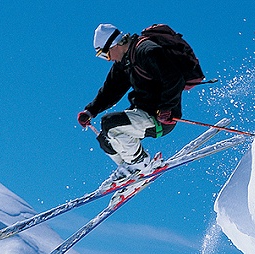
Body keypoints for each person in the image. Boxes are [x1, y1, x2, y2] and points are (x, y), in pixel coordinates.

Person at [77, 23, 186, 172]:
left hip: (161, 117)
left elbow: (175, 78)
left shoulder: (146, 51)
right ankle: (126, 170)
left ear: (114, 45)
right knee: (105, 140)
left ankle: (140, 164)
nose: (108, 59)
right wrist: (90, 111)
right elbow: (110, 90)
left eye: (104, 54)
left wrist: (166, 108)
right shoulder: (125, 62)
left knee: (110, 124)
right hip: (142, 114)